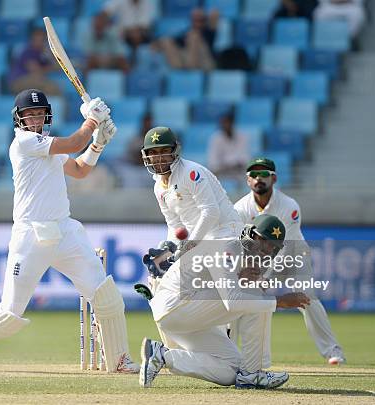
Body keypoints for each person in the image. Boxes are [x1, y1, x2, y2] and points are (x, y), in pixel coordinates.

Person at [0, 89, 139, 374]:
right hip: (31, 236)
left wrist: (98, 144)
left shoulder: (50, 146)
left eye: (40, 114)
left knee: (106, 296)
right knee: (10, 315)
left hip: (65, 231)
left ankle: (119, 359)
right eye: (30, 114)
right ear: (20, 119)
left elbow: (79, 170)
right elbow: (75, 141)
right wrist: (91, 121)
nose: (36, 118)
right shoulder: (24, 143)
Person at [139, 214, 311, 388]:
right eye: (263, 240)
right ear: (250, 234)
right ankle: (252, 374)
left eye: (272, 246)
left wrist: (243, 281)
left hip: (185, 317)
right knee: (255, 296)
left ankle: (162, 355)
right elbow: (233, 301)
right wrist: (279, 301)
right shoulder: (227, 247)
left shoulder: (246, 257)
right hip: (175, 306)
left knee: (230, 370)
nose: (266, 249)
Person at [233, 157, 346, 365]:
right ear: (248, 181)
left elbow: (287, 248)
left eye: (265, 174)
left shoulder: (289, 206)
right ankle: (231, 354)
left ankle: (332, 350)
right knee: (241, 297)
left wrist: (265, 279)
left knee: (307, 296)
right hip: (257, 260)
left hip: (293, 256)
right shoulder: (239, 209)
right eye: (254, 175)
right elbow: (242, 247)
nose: (259, 178)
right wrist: (252, 276)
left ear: (274, 178)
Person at [8, 29, 61, 96]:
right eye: (36, 40)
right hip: (19, 81)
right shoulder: (28, 52)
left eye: (42, 40)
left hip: (32, 83)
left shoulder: (42, 53)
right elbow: (36, 70)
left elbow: (56, 66)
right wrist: (50, 68)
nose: (39, 42)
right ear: (31, 40)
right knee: (51, 86)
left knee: (49, 88)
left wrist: (49, 54)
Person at [207, 111, 250, 182]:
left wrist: (233, 164)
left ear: (232, 123)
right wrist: (227, 166)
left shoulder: (242, 136)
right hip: (221, 172)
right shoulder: (215, 138)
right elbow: (213, 161)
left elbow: (245, 158)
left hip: (239, 171)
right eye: (224, 123)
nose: (226, 125)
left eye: (228, 122)